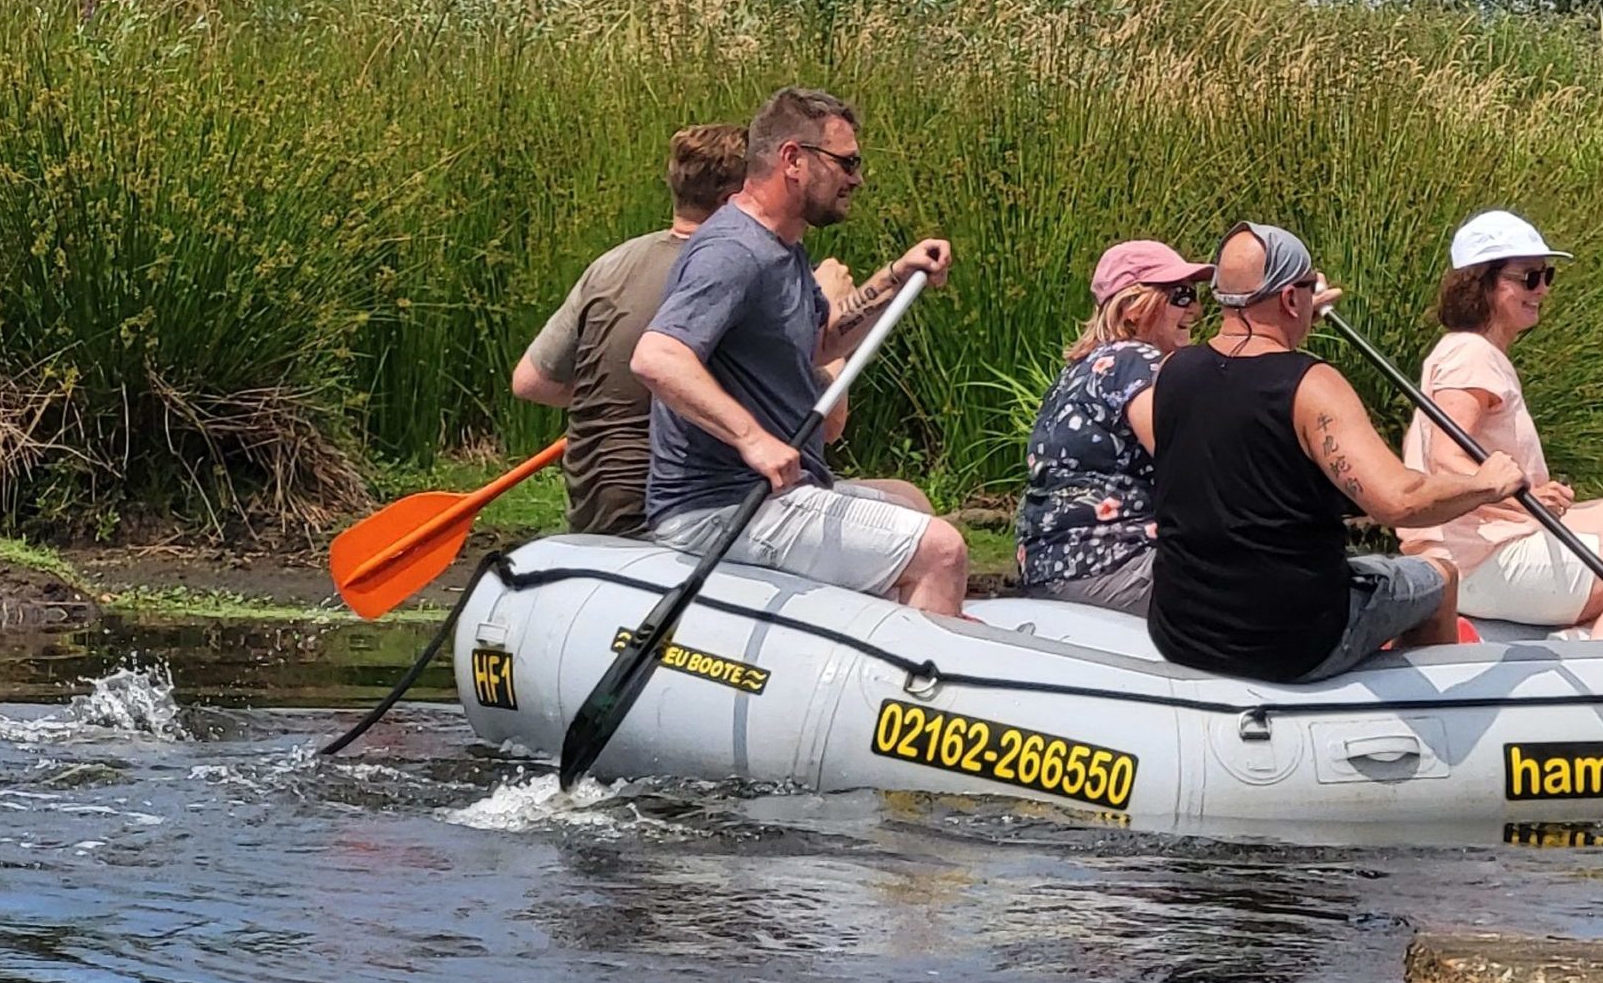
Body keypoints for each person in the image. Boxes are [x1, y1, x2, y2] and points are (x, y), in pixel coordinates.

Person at [630, 86, 966, 614]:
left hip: (772, 497)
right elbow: (658, 356)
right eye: (846, 162)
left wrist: (897, 277)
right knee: (940, 550)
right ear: (793, 159)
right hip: (720, 507)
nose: (856, 178)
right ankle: (919, 691)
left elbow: (819, 341)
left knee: (912, 501)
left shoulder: (780, 246)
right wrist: (753, 439)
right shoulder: (733, 252)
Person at [1147, 223, 1527, 682]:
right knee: (1440, 577)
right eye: (1310, 287)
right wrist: (1487, 483)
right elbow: (1400, 501)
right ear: (1290, 299)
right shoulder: (1312, 386)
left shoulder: (1172, 371)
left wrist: (1297, 308)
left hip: (1181, 630)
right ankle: (1427, 721)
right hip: (1294, 642)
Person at [1399, 210, 1603, 635]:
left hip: (1496, 534)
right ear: (1482, 283)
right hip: (1477, 557)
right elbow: (1445, 458)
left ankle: (1588, 624)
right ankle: (1596, 660)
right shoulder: (1470, 356)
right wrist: (1523, 495)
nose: (1541, 290)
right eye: (1528, 278)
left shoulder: (1471, 351)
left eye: (1546, 276)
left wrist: (1529, 498)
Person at [511, 123, 750, 535]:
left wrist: (623, 401)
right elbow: (828, 423)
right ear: (735, 200)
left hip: (593, 508)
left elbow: (531, 382)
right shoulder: (739, 271)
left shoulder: (610, 264)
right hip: (673, 510)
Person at [1012, 239, 1214, 615]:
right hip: (1113, 564)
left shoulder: (1078, 370)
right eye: (1181, 296)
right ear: (1134, 308)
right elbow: (1187, 463)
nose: (1197, 309)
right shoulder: (1136, 359)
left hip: (1049, 567)